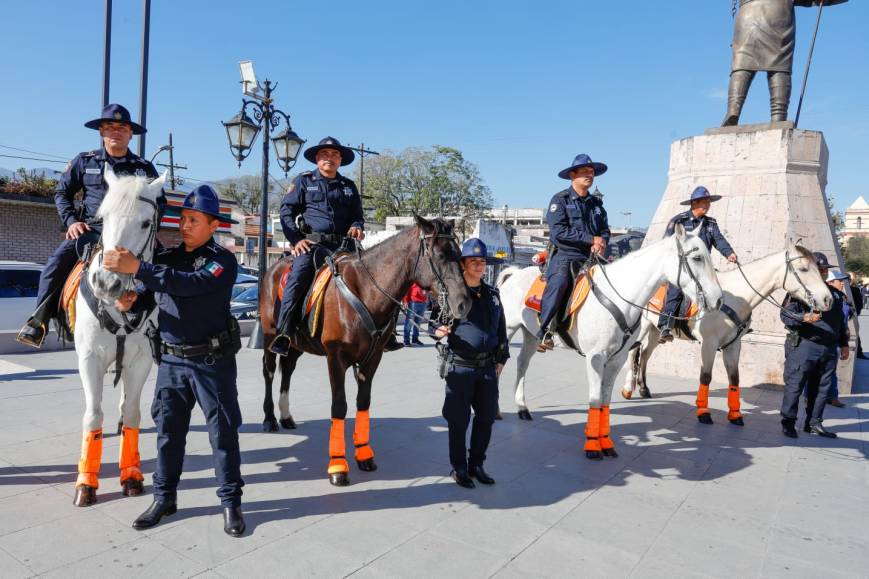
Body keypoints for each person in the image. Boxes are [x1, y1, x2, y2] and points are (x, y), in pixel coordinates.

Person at [102, 184, 246, 537]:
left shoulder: (222, 261)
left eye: (194, 220)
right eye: (182, 219)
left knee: (222, 434)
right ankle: (164, 498)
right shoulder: (166, 259)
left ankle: (231, 503)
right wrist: (129, 301)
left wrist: (139, 267)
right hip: (171, 364)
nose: (185, 225)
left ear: (214, 225)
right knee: (168, 435)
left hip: (212, 363)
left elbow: (190, 284)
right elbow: (147, 297)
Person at [17, 103, 164, 347]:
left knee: (164, 265)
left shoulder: (144, 167)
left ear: (130, 134)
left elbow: (160, 202)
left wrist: (146, 228)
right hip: (92, 231)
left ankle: (165, 325)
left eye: (122, 128)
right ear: (101, 132)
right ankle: (38, 322)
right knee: (54, 265)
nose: (116, 132)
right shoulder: (85, 161)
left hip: (130, 232)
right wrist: (72, 222)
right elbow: (62, 193)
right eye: (110, 127)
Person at [269, 137, 404, 356]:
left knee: (378, 277)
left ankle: (386, 334)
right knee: (298, 276)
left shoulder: (348, 186)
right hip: (314, 246)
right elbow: (286, 213)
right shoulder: (303, 181)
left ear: (340, 160)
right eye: (325, 154)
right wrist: (296, 240)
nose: (329, 158)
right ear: (317, 158)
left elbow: (357, 216)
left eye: (334, 155)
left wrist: (357, 226)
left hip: (345, 246)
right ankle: (285, 332)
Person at [434, 239, 509, 488]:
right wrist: (438, 329)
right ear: (463, 265)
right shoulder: (450, 294)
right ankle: (459, 467)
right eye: (474, 261)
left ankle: (477, 463)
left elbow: (500, 328)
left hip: (487, 369)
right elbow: (433, 322)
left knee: (486, 418)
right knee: (458, 421)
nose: (479, 266)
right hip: (461, 367)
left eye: (482, 261)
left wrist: (501, 358)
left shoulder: (492, 295)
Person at [722, 0, 849, 126]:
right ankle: (778, 115)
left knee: (742, 64)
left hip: (747, 16)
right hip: (778, 13)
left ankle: (733, 110)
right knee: (779, 65)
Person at [537, 154, 610, 351]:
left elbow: (604, 230)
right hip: (566, 255)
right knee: (560, 282)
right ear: (572, 175)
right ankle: (545, 330)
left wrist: (601, 242)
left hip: (592, 257)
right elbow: (559, 232)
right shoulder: (560, 200)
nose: (589, 175)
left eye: (592, 172)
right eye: (585, 171)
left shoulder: (597, 205)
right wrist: (590, 239)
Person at [780, 252, 849, 439]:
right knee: (795, 386)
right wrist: (805, 318)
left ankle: (814, 423)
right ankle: (788, 422)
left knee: (821, 389)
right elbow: (785, 315)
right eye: (821, 269)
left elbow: (841, 322)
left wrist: (844, 344)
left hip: (828, 349)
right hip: (805, 346)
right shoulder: (799, 292)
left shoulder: (835, 294)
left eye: (826, 269)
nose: (824, 272)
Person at [658, 186, 737, 343]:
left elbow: (719, 240)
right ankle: (665, 325)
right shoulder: (678, 221)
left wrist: (729, 253)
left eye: (708, 203)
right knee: (676, 291)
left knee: (718, 289)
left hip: (702, 268)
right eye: (704, 202)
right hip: (682, 267)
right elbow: (666, 243)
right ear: (694, 203)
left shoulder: (710, 224)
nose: (707, 205)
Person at [826, 269, 851, 408]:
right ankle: (808, 396)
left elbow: (844, 321)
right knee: (814, 372)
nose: (842, 283)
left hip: (837, 339)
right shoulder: (824, 297)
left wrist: (844, 344)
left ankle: (832, 397)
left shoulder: (842, 297)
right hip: (824, 340)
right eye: (839, 280)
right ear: (829, 282)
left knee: (832, 370)